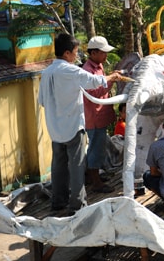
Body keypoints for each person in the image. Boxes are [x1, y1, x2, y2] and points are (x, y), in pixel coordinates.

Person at [38, 33, 121, 214]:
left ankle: (58, 201)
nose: (76, 56)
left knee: (58, 166)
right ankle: (78, 204)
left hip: (55, 128)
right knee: (77, 166)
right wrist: (113, 77)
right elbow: (94, 82)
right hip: (73, 126)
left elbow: (42, 101)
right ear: (67, 53)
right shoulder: (70, 70)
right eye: (75, 52)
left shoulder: (46, 73)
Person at [82, 36, 118, 193]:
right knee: (96, 149)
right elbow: (96, 92)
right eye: (103, 53)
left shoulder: (98, 66)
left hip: (100, 114)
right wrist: (111, 81)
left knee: (99, 148)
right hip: (94, 117)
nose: (106, 56)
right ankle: (96, 182)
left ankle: (93, 176)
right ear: (94, 52)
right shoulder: (87, 71)